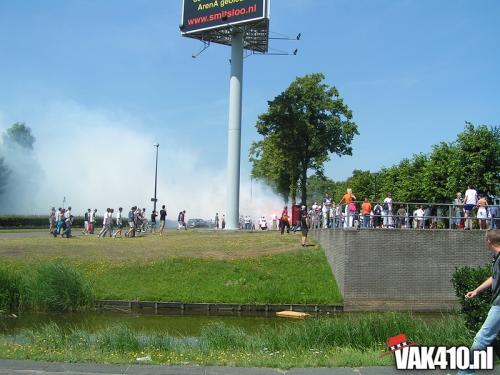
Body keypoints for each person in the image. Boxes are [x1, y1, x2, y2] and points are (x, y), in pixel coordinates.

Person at [456, 230, 500, 375]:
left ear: (488, 242)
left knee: (482, 339)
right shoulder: (497, 258)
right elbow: (494, 277)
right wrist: (477, 290)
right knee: (489, 339)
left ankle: (466, 372)